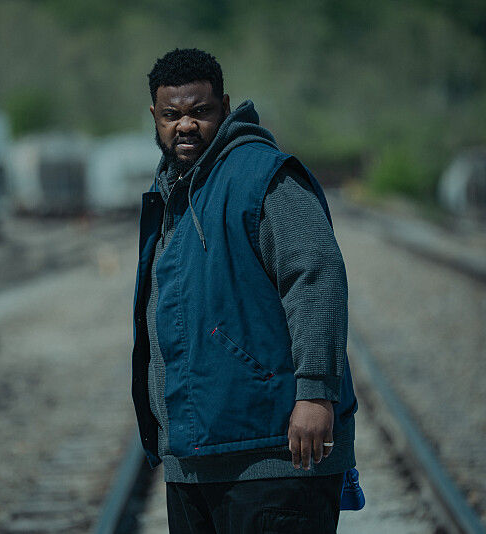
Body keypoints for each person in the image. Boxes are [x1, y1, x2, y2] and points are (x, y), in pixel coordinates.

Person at [131, 48, 358, 533]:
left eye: (200, 111)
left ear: (225, 106)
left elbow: (316, 276)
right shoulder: (173, 190)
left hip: (273, 459)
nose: (185, 126)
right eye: (172, 115)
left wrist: (317, 394)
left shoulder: (264, 177)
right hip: (195, 462)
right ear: (155, 116)